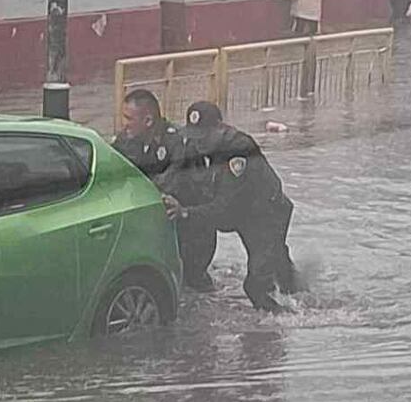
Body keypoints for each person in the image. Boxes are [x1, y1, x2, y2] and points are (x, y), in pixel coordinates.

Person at [163, 102, 300, 314]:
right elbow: (176, 176)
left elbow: (224, 207)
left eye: (204, 136)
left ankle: (290, 323)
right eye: (194, 136)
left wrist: (185, 212)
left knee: (256, 287)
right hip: (238, 214)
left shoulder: (238, 151)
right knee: (277, 266)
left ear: (220, 127)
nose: (199, 143)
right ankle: (294, 290)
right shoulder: (193, 145)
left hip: (264, 215)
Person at [113, 89, 217, 291]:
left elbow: (169, 183)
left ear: (148, 121)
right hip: (162, 224)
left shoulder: (180, 143)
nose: (124, 124)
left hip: (192, 228)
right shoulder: (127, 139)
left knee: (193, 283)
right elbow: (110, 164)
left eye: (129, 118)